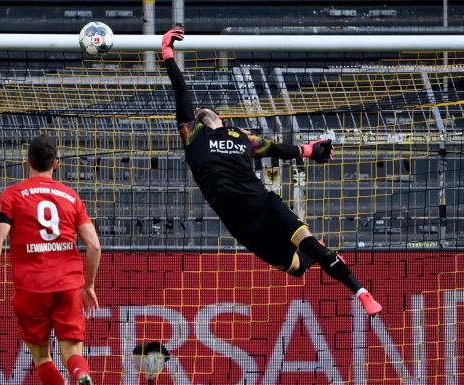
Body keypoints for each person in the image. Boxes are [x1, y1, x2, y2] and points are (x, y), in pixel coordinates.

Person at [160, 27, 382, 315]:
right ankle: (319, 252)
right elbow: (182, 91)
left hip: (263, 204)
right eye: (199, 112)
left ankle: (361, 291)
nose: (201, 111)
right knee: (299, 267)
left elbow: (277, 149)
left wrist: (310, 150)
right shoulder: (193, 136)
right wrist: (167, 55)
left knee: (310, 244)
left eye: (206, 110)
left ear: (222, 117)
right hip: (242, 225)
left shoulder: (242, 137)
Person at [0, 135, 102, 385]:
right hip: (68, 284)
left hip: (31, 288)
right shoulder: (71, 197)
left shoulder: (12, 195)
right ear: (56, 163)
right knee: (72, 351)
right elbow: (94, 246)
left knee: (41, 357)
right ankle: (81, 376)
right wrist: (88, 284)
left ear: (27, 161)